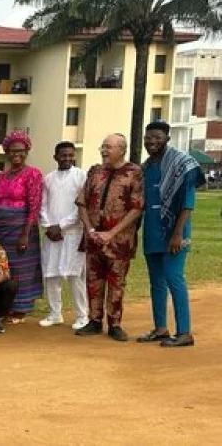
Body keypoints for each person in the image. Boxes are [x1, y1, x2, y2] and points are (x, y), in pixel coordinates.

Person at [75, 134, 144, 342]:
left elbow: (136, 208)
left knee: (116, 283)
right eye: (102, 147)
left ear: (121, 149)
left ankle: (115, 324)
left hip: (119, 241)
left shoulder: (134, 173)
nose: (103, 151)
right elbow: (81, 202)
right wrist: (90, 230)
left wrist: (111, 233)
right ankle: (94, 321)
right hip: (94, 239)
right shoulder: (96, 172)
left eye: (108, 147)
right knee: (93, 281)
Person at [139, 121, 202, 347]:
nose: (151, 142)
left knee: (174, 278)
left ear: (167, 138)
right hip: (152, 232)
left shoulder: (182, 164)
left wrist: (177, 234)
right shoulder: (146, 167)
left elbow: (188, 202)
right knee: (156, 282)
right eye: (148, 138)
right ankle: (161, 328)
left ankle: (184, 332)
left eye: (156, 137)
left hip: (174, 233)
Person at [0, 131, 43, 322]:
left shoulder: (33, 174)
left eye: (20, 151)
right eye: (12, 151)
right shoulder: (1, 176)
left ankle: (20, 309)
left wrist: (25, 234)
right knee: (3, 268)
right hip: (0, 230)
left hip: (21, 228)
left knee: (21, 269)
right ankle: (4, 306)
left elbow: (34, 205)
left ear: (27, 151)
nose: (16, 155)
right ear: (6, 152)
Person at [38, 142, 89, 330]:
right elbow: (42, 205)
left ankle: (83, 315)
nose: (67, 158)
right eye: (63, 155)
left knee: (75, 276)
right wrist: (48, 226)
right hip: (52, 234)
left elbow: (82, 206)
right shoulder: (48, 179)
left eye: (70, 155)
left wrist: (61, 226)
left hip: (73, 233)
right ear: (55, 157)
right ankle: (54, 313)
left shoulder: (81, 176)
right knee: (51, 274)